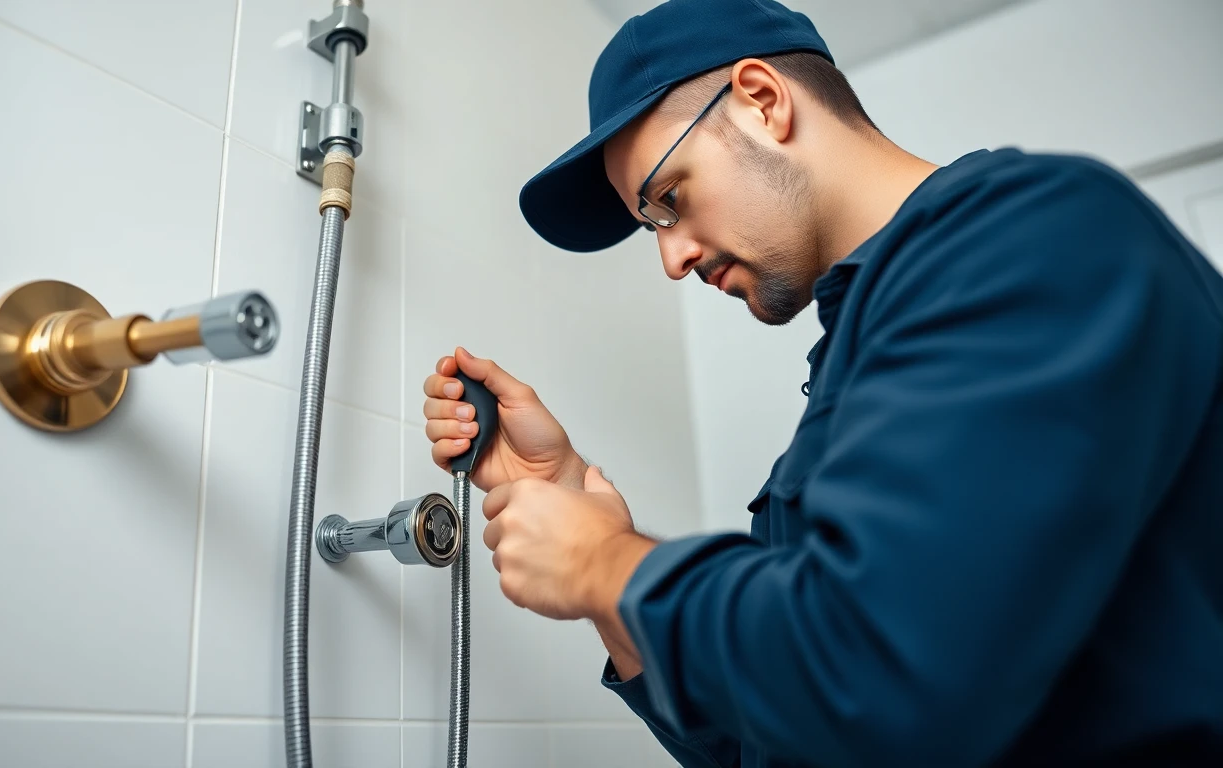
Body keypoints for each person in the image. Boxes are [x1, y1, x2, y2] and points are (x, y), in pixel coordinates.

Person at [422, 0, 1223, 765]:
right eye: (650, 228)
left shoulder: (1031, 236)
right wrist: (574, 512)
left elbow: (885, 678)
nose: (672, 259)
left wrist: (605, 563)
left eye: (669, 201)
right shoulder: (863, 361)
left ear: (763, 101)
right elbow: (780, 741)